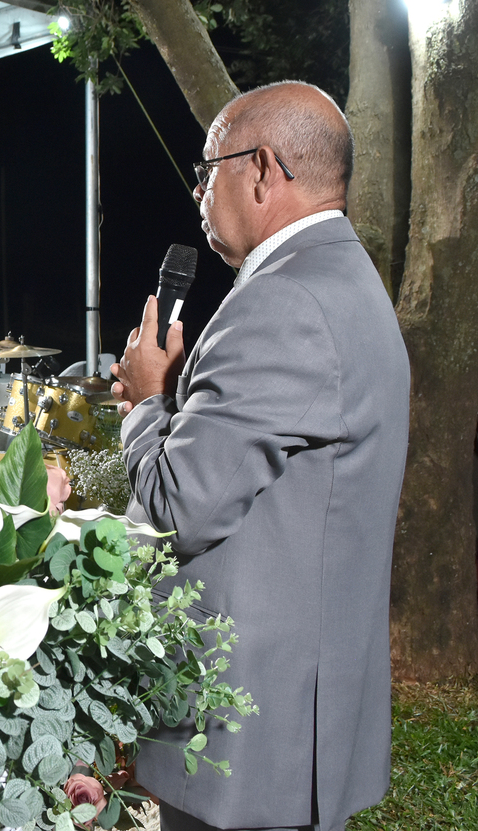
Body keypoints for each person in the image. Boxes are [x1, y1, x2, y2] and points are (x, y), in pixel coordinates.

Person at [111, 82, 409, 831]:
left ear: (262, 168)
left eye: (205, 169)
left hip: (254, 735)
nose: (199, 193)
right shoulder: (345, 277)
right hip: (304, 717)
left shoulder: (283, 300)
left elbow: (177, 506)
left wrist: (146, 401)